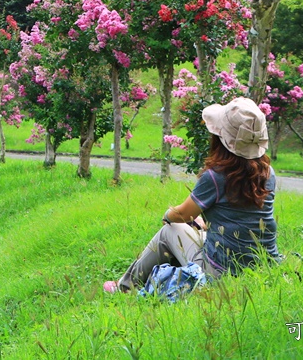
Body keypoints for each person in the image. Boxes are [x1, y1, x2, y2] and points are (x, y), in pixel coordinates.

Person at [105, 96, 281, 293]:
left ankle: (124, 287)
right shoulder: (268, 173)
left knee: (169, 231)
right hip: (264, 266)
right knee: (199, 231)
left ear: (221, 139)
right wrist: (204, 223)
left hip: (222, 272)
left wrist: (167, 215)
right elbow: (243, 217)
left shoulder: (215, 177)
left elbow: (181, 215)